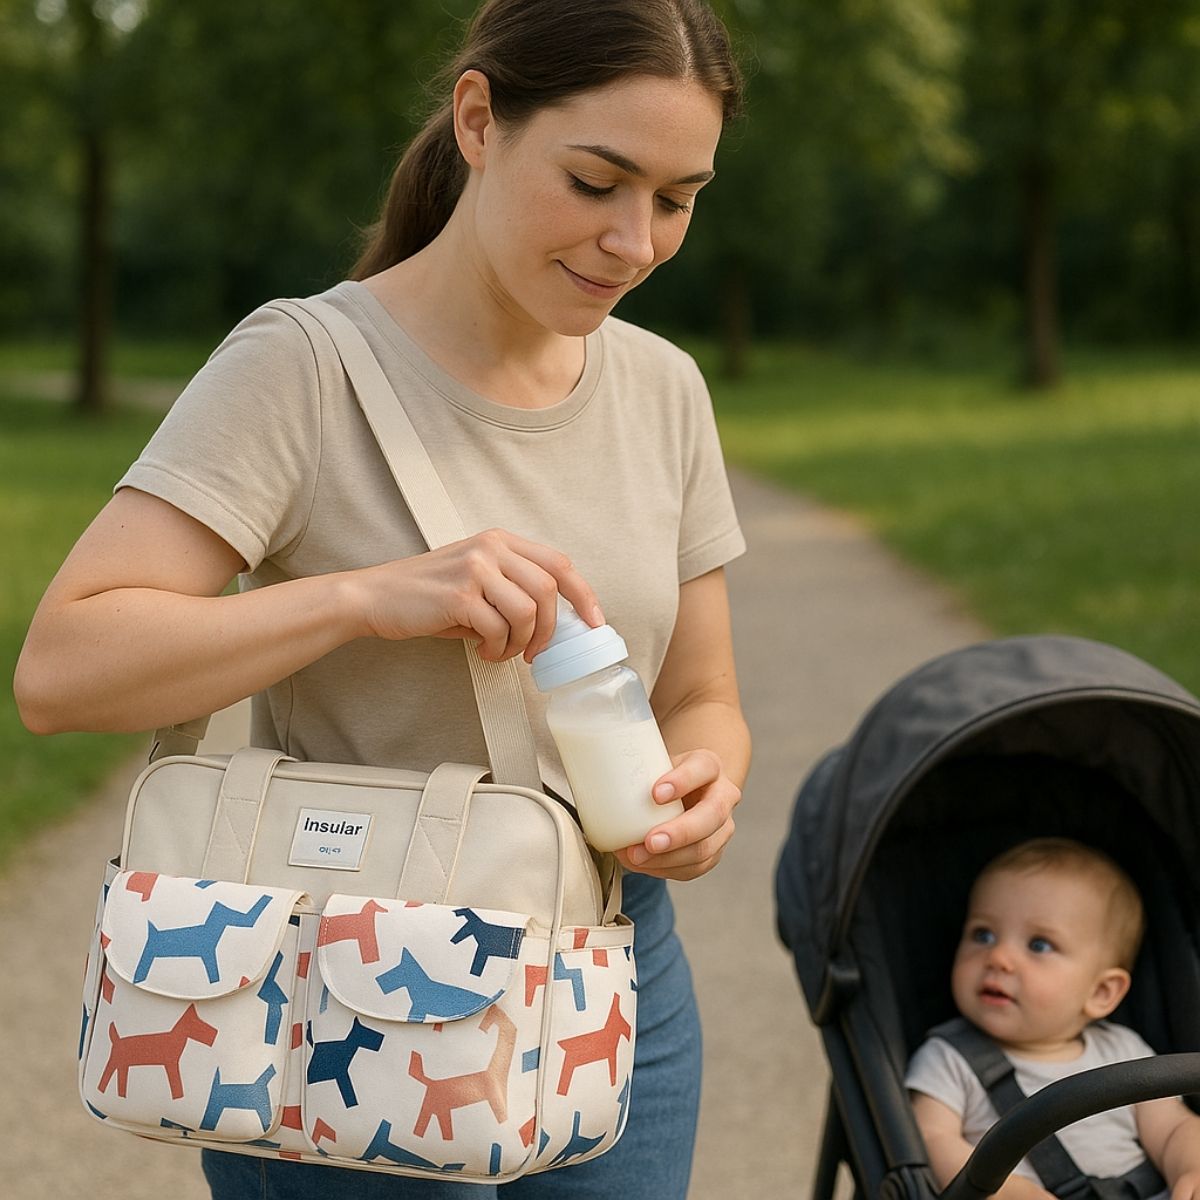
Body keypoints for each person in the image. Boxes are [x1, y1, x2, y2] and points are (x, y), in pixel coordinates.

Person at [13, 1, 751, 1196]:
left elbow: (703, 693)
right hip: (345, 1002)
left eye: (676, 199)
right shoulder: (301, 366)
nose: (636, 242)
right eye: (596, 181)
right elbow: (60, 672)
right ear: (478, 119)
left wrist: (710, 782)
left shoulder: (664, 389)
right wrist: (362, 599)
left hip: (612, 985)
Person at [906, 838, 1200, 1200]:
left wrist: (1191, 1165)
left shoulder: (1123, 1050)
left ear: (1101, 993)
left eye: (1039, 945)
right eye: (983, 934)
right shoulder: (947, 1058)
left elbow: (1172, 1129)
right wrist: (1011, 1192)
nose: (998, 957)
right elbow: (931, 1140)